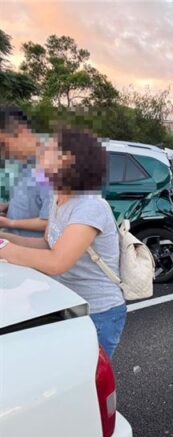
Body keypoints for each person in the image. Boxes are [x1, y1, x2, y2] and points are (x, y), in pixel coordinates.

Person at [0, 129, 126, 358]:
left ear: (69, 159)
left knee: (86, 383)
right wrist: (5, 238)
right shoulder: (59, 198)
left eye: (48, 150)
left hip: (98, 312)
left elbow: (57, 262)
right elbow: (48, 245)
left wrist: (5, 249)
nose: (40, 154)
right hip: (70, 304)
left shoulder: (90, 205)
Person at [0, 107, 53, 237]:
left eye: (2, 144)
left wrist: (9, 223)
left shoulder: (50, 168)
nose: (2, 152)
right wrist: (8, 208)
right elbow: (34, 202)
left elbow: (53, 223)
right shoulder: (25, 166)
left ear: (21, 131)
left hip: (34, 253)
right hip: (15, 250)